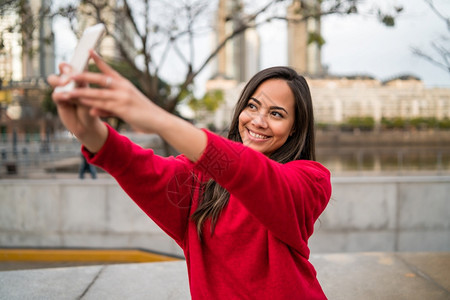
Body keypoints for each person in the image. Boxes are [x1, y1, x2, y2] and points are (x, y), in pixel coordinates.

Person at [48, 50, 332, 299]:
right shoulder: (200, 179)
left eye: (277, 114)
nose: (258, 121)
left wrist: (156, 117)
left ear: (295, 127)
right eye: (252, 106)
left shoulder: (311, 179)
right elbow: (141, 169)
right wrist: (88, 131)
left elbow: (254, 176)